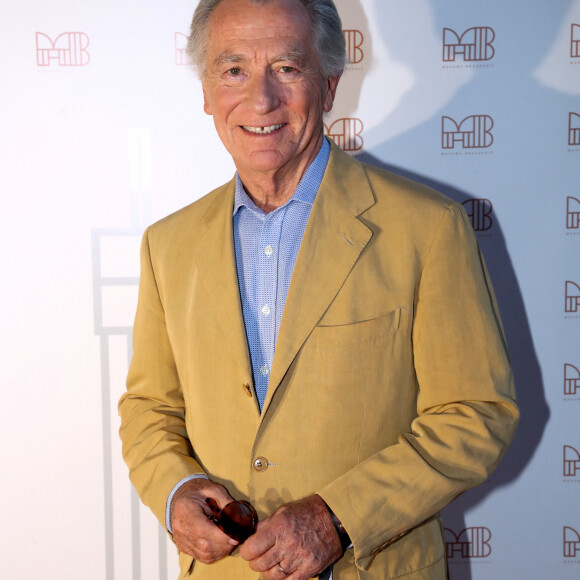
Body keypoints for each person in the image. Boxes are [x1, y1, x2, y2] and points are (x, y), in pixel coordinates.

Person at [118, 0, 519, 578]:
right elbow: (149, 406)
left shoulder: (428, 228)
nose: (260, 99)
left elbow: (477, 412)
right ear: (206, 92)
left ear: (330, 84)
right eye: (233, 70)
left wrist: (338, 518)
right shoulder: (167, 245)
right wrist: (174, 489)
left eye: (287, 67)